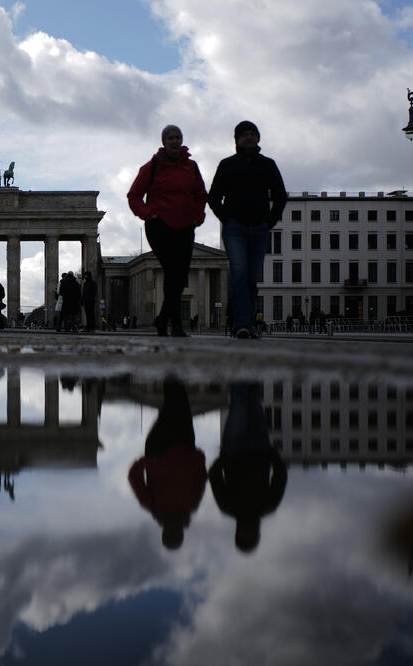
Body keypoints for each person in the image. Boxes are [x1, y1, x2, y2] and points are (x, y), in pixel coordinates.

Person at [207, 120, 288, 339]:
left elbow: (281, 195)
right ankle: (242, 324)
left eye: (253, 133)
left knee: (251, 278)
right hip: (235, 229)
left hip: (259, 228)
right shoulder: (227, 165)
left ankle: (247, 322)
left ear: (258, 138)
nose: (249, 137)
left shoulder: (268, 164)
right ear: (237, 139)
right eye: (245, 134)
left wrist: (270, 221)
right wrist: (226, 218)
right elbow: (213, 196)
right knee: (239, 273)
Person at [128, 124, 207, 337]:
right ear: (163, 141)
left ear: (182, 140)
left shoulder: (191, 167)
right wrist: (147, 213)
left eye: (177, 137)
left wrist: (198, 216)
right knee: (173, 270)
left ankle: (163, 319)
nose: (174, 140)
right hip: (159, 226)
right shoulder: (151, 167)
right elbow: (134, 195)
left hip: (185, 226)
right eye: (170, 137)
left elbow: (201, 194)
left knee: (179, 276)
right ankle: (175, 324)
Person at [128, 378, 207, 550]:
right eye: (175, 534)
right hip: (184, 444)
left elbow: (134, 477)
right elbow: (201, 478)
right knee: (180, 403)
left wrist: (150, 460)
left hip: (160, 446)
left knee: (172, 405)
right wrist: (198, 457)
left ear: (164, 531)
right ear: (181, 533)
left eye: (170, 534)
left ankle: (171, 372)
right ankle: (173, 373)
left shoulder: (153, 505)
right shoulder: (190, 505)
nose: (173, 530)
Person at [209, 382, 288, 553]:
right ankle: (249, 368)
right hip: (260, 448)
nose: (249, 531)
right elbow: (280, 477)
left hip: (235, 449)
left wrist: (224, 457)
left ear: (237, 532)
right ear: (258, 534)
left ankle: (240, 369)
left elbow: (214, 477)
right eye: (251, 535)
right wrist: (272, 454)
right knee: (252, 400)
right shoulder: (268, 506)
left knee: (240, 404)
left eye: (244, 534)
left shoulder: (228, 506)